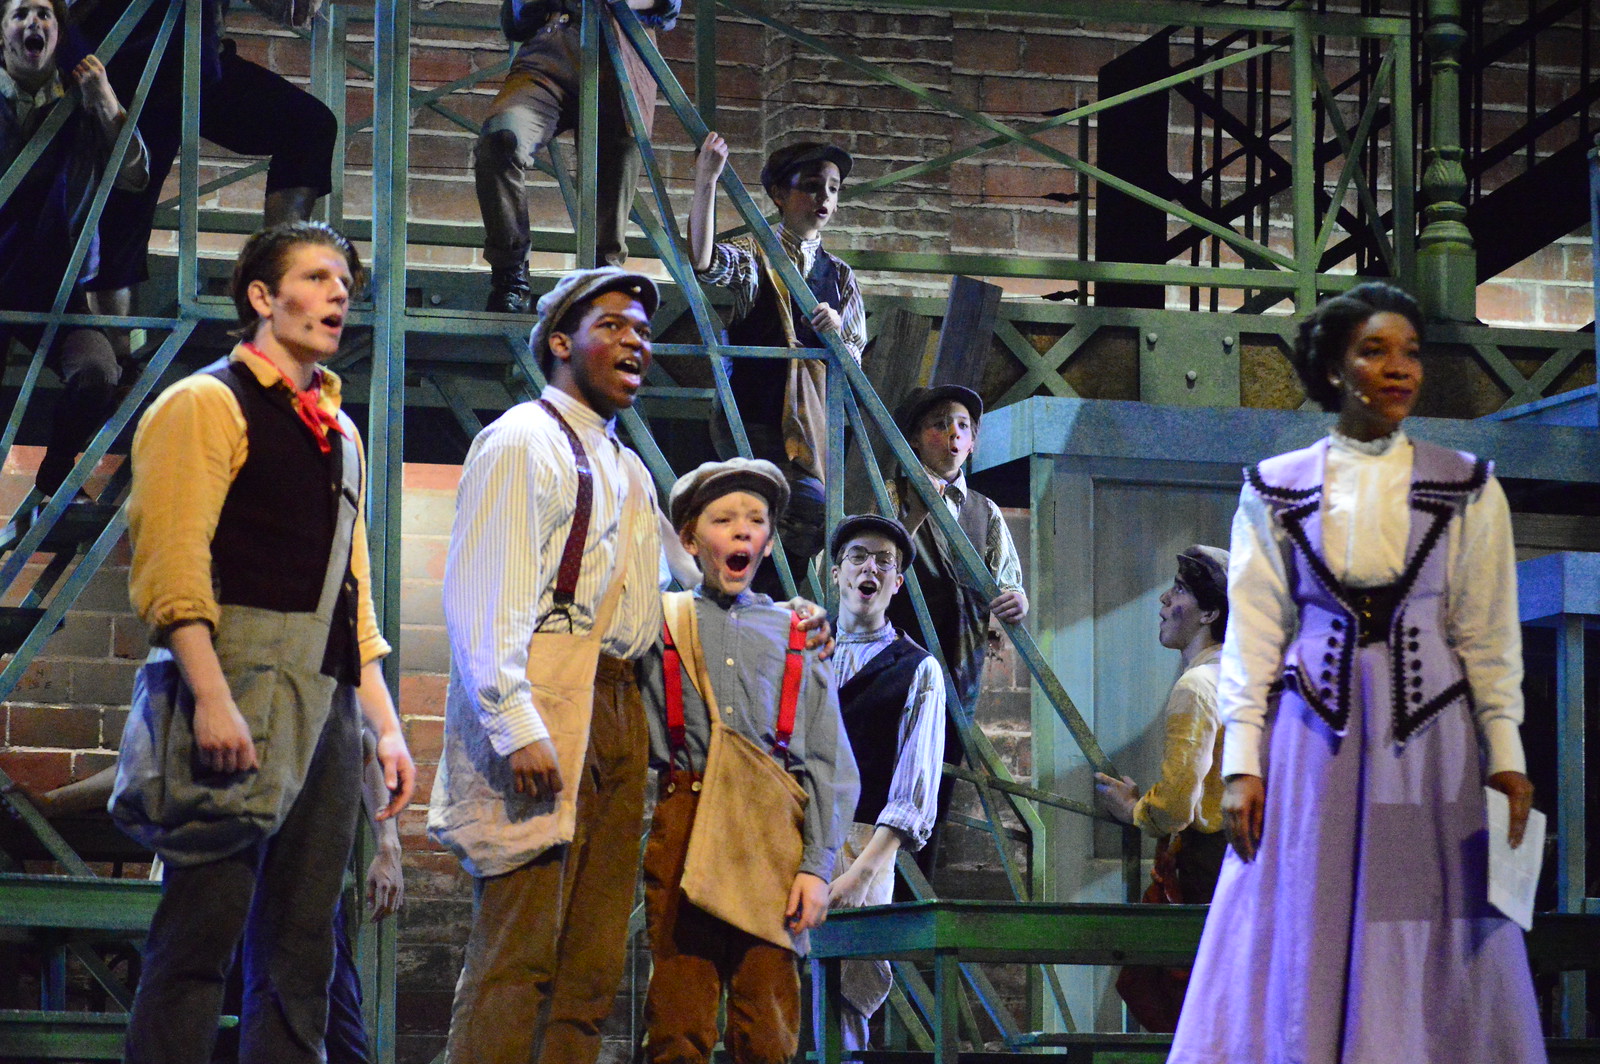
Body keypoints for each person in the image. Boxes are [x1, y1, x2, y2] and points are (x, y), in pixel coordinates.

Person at [1167, 282, 1545, 1063]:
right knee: (1304, 912)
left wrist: (1506, 754)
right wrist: (1241, 763)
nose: (1399, 368)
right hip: (1313, 747)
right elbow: (1255, 636)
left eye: (1411, 352)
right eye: (1375, 351)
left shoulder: (1468, 485)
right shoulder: (1276, 486)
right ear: (1336, 367)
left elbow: (1487, 636)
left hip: (1428, 746)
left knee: (1418, 921)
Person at [108, 221, 414, 1064]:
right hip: (237, 682)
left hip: (325, 704)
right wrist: (210, 698)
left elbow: (351, 598)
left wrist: (384, 725)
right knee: (200, 936)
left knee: (303, 952)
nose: (337, 293)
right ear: (261, 296)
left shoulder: (340, 434)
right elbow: (172, 562)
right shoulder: (206, 403)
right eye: (315, 278)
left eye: (344, 282)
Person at [637, 458, 858, 1064]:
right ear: (690, 539)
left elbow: (829, 762)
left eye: (755, 520)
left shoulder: (797, 633)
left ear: (768, 541)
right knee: (678, 1017)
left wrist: (817, 867)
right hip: (687, 822)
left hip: (771, 838)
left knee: (768, 1023)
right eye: (724, 519)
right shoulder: (660, 623)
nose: (742, 530)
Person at [74, 0, 337, 359]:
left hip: (196, 62)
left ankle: (278, 272)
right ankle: (117, 361)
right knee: (121, 211)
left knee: (309, 125)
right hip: (123, 67)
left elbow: (295, 10)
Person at [689, 135, 867, 595]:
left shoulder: (840, 275)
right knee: (785, 509)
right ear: (779, 195)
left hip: (808, 427)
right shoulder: (756, 253)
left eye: (832, 189)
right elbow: (706, 263)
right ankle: (752, 593)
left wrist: (835, 334)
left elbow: (855, 361)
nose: (823, 197)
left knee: (810, 514)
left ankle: (760, 595)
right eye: (811, 185)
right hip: (755, 418)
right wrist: (707, 181)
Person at [0, 0, 147, 499]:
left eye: (44, 14)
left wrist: (104, 99)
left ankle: (57, 471)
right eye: (20, 14)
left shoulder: (79, 105)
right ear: (2, 33)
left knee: (98, 372)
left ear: (59, 33)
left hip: (52, 286)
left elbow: (135, 176)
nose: (34, 23)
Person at [882, 384, 1027, 880]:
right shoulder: (893, 493)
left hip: (960, 664)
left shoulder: (984, 510)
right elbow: (870, 559)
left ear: (973, 441)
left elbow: (1009, 581)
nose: (952, 434)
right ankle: (881, 888)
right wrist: (917, 513)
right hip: (898, 656)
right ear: (915, 438)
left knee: (939, 778)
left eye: (962, 425)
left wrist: (1017, 599)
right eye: (939, 424)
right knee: (889, 771)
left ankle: (918, 885)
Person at [1094, 545, 1230, 1033]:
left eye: (1179, 590)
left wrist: (1135, 809)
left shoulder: (1198, 687)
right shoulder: (1248, 680)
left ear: (1209, 613)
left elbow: (1175, 807)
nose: (1164, 600)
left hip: (1206, 871)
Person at [826, 514, 944, 1051]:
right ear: (837, 573)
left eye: (884, 561)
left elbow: (912, 794)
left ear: (897, 582)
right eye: (858, 556)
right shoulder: (799, 653)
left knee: (845, 1006)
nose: (869, 568)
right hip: (789, 841)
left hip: (862, 847)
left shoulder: (917, 670)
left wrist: (861, 874)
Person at [478, 0, 681, 312]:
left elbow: (668, 6)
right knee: (501, 139)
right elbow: (514, 20)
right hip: (548, 55)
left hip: (620, 55)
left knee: (619, 156)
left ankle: (602, 279)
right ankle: (510, 275)